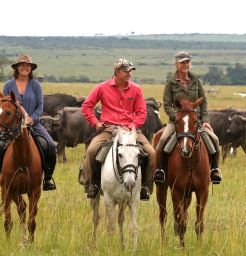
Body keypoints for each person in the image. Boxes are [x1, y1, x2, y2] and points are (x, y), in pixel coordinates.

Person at [80, 59, 156, 201]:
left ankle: (145, 188)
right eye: (126, 71)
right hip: (108, 129)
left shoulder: (136, 89)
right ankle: (92, 185)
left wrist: (132, 126)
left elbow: (141, 112)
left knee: (152, 153)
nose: (129, 74)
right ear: (117, 72)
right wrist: (96, 124)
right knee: (91, 151)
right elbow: (86, 107)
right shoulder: (102, 88)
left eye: (130, 71)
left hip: (131, 130)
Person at [0, 54, 57, 191]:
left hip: (33, 124)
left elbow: (40, 106)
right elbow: (5, 105)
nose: (25, 68)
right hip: (11, 126)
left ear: (31, 68)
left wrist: (32, 119)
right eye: (22, 65)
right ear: (17, 68)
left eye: (28, 66)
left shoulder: (36, 85)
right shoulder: (8, 85)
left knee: (51, 146)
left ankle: (47, 178)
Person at [153, 51, 222, 184]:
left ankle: (214, 170)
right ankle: (160, 170)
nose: (185, 65)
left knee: (215, 139)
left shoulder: (196, 80)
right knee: (161, 141)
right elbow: (167, 105)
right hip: (177, 121)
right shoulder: (170, 83)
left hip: (195, 121)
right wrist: (179, 116)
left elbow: (203, 101)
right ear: (176, 64)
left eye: (187, 62)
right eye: (182, 62)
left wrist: (206, 121)